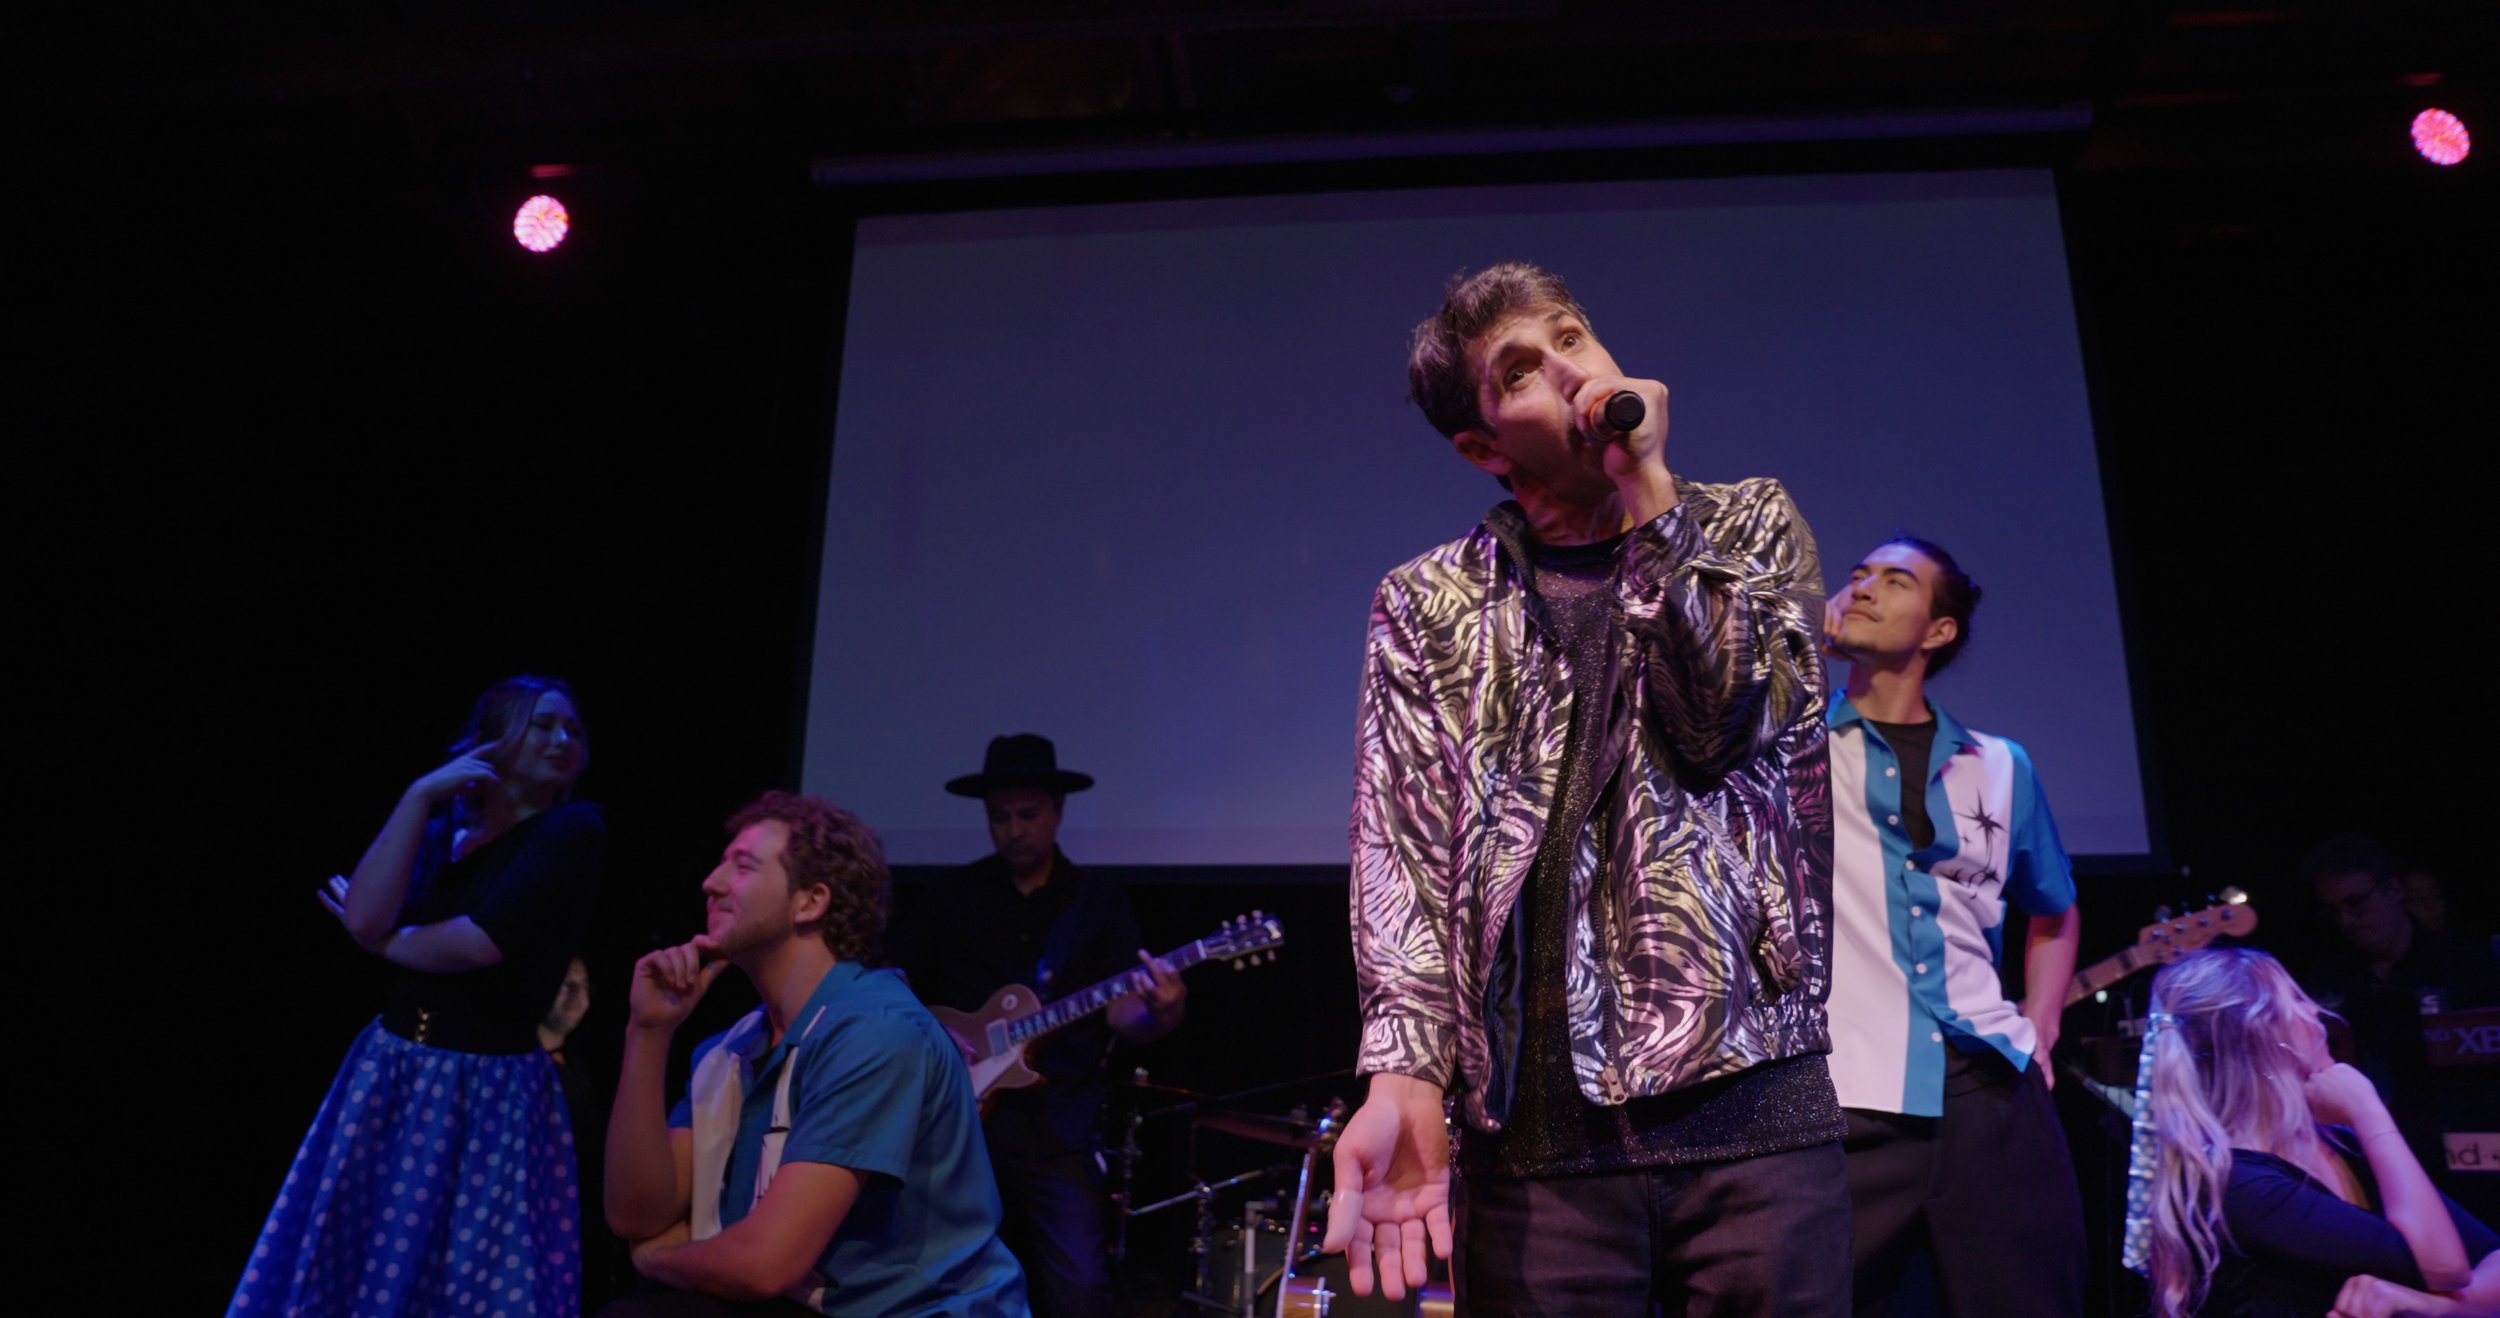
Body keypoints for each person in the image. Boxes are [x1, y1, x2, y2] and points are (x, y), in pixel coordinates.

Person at [1324, 262, 1846, 1313]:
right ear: (1482, 448)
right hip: (1536, 1152)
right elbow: (1405, 857)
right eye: (1521, 369)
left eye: (1572, 337)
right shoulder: (1429, 601)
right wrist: (1404, 1071)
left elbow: (1723, 722)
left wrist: (1649, 499)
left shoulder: (1745, 527)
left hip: (1751, 1120)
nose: (1567, 370)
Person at [231, 674, 606, 1317]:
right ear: (492, 741)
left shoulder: (571, 831)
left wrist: (380, 944)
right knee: (356, 1256)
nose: (563, 738)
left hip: (489, 1086)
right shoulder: (443, 833)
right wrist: (418, 795)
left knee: (473, 1277)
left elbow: (479, 942)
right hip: (394, 1065)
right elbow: (363, 913)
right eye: (543, 724)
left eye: (572, 728)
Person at [601, 792, 1027, 1317]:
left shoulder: (875, 1032)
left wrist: (659, 1259)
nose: (710, 883)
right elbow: (637, 1216)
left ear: (811, 901)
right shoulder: (734, 1048)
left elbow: (763, 1265)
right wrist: (647, 1033)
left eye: (743, 866)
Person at [1819, 535, 2087, 1316]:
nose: (1864, 587)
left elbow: (2056, 907)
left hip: (1991, 1094)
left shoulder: (2000, 765)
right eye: (1858, 575)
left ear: (1937, 632)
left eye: (1895, 581)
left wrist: (2040, 1027)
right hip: (1849, 1095)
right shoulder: (1793, 746)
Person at [888, 734, 1184, 1318]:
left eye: (1027, 815)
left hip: (1058, 1131)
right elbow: (892, 981)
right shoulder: (952, 896)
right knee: (934, 1278)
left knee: (1076, 1290)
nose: (1013, 830)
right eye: (999, 818)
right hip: (954, 1125)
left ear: (1058, 811)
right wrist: (934, 1035)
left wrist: (1162, 1008)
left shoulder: (1096, 900)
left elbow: (1122, 1016)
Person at [2126, 946, 2499, 1318]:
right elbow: (2445, 1267)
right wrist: (2368, 1109)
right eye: (2295, 999)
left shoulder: (2339, 1143)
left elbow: (2491, 1260)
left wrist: (2424, 1306)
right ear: (2260, 1033)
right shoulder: (2236, 1184)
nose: (2316, 1013)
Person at [2302, 835, 2500, 1221]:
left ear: (2393, 890)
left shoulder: (2468, 965)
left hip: (2476, 1159)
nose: (2347, 921)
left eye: (2356, 903)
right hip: (2375, 1158)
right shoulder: (2327, 978)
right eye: (2334, 911)